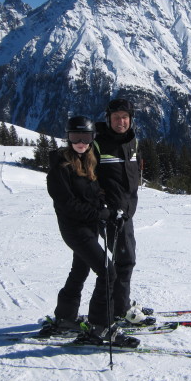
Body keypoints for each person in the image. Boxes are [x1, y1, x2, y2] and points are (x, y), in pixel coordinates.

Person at [41, 115, 139, 348]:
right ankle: (100, 326)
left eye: (85, 137)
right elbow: (68, 205)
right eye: (76, 137)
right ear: (67, 138)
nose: (81, 143)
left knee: (80, 269)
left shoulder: (87, 161)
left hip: (88, 228)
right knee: (108, 273)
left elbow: (95, 192)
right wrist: (100, 214)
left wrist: (106, 206)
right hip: (75, 230)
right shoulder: (60, 168)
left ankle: (65, 317)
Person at [93, 99, 152, 325]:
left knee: (124, 259)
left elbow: (133, 173)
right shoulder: (98, 144)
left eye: (125, 117)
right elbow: (89, 179)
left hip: (126, 212)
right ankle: (120, 309)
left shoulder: (131, 141)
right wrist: (104, 208)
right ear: (108, 119)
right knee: (124, 260)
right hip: (110, 214)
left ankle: (120, 303)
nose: (121, 121)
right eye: (116, 117)